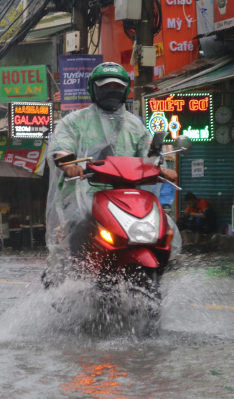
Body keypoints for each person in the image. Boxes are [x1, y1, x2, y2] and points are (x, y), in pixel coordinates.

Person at [45, 62, 178, 265]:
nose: (112, 91)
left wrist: (162, 168)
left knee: (165, 226)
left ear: (125, 90)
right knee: (80, 223)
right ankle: (77, 272)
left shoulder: (135, 125)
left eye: (117, 87)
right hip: (86, 196)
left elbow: (149, 155)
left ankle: (167, 265)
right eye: (106, 86)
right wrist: (68, 163)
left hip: (128, 196)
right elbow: (62, 146)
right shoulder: (73, 121)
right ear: (94, 89)